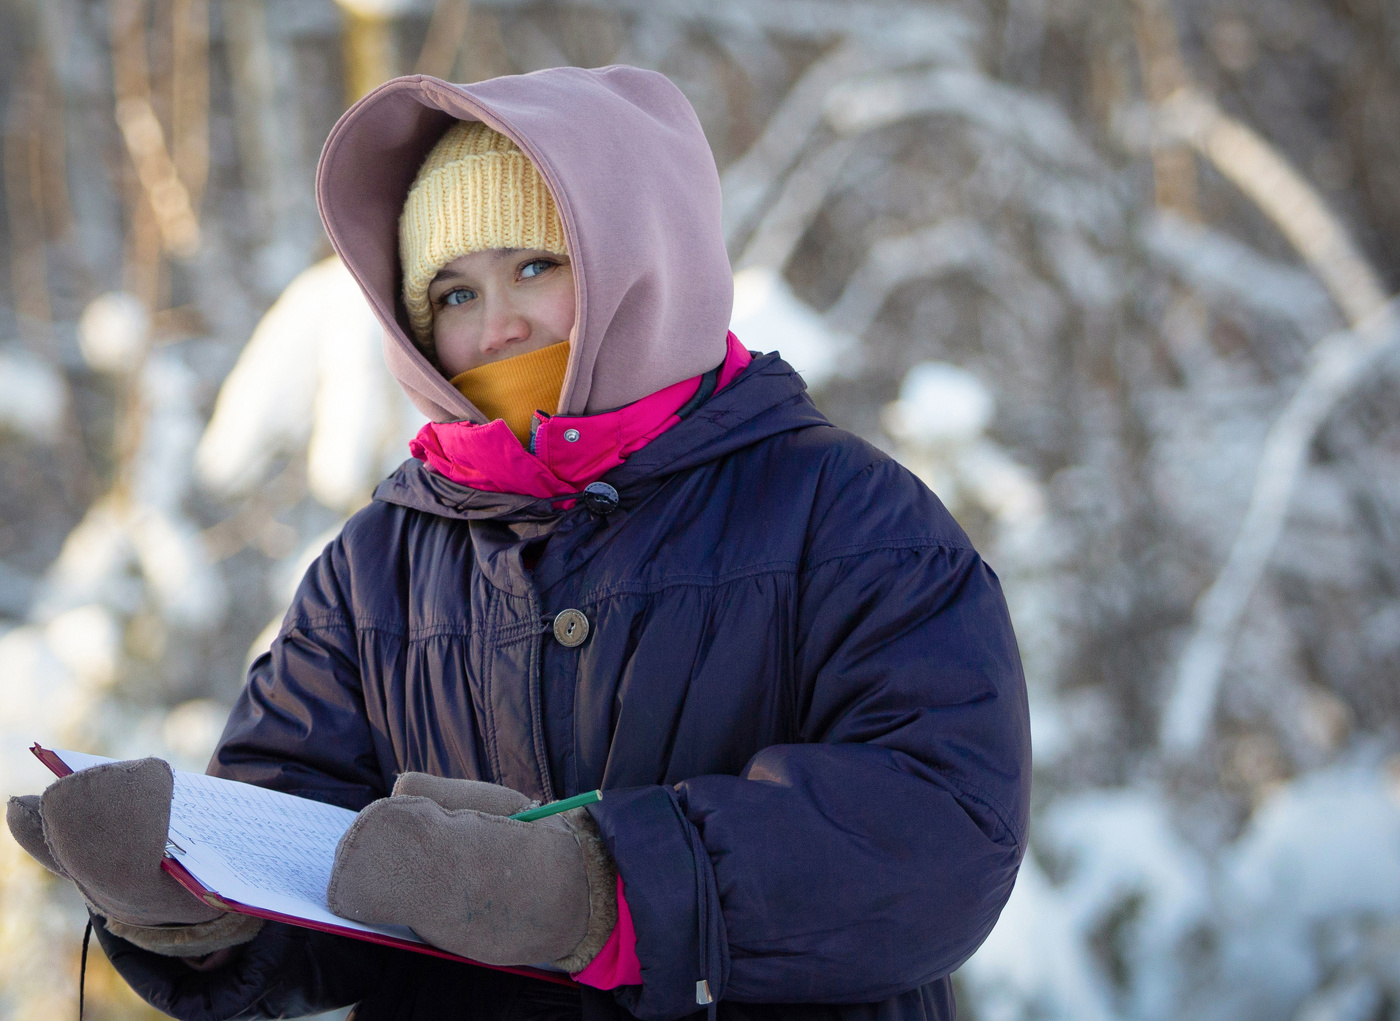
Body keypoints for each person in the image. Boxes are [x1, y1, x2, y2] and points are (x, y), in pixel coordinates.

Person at [6, 65, 1030, 1021]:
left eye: (535, 266)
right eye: (453, 293)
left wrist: (588, 888)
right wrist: (195, 909)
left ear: (645, 258)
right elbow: (307, 860)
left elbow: (936, 835)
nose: (495, 326)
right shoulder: (373, 570)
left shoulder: (848, 518)